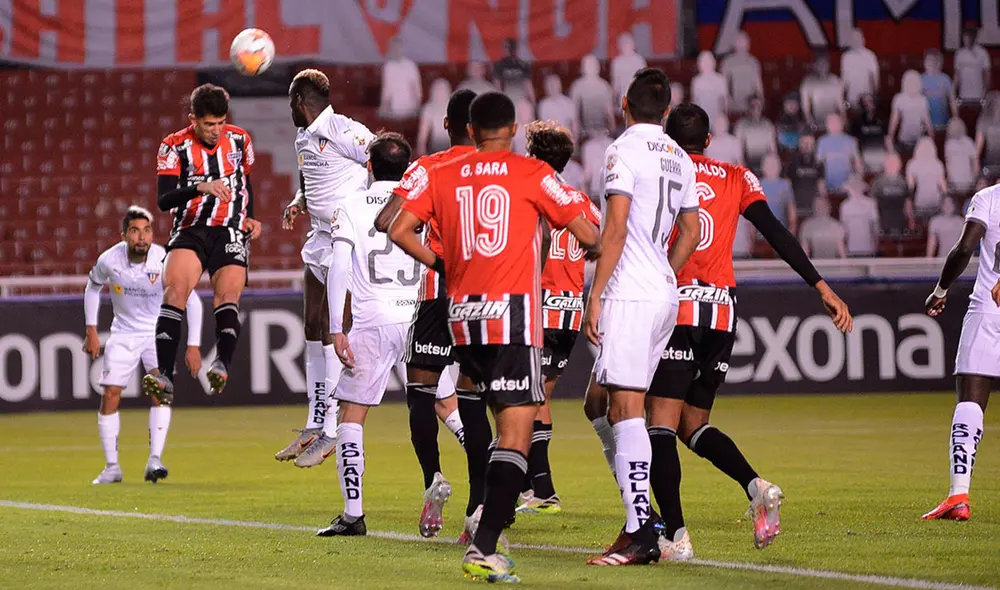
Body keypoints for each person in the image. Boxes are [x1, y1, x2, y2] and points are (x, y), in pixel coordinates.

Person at [600, 103, 851, 559]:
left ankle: (674, 537)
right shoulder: (738, 177)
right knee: (693, 425)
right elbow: (774, 231)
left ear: (670, 139)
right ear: (710, 140)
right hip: (722, 313)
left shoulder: (665, 168)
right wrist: (820, 285)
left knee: (659, 422)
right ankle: (756, 487)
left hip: (677, 308)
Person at [389, 91, 600, 583]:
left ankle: (479, 520)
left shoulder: (441, 173)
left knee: (469, 397)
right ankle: (484, 539)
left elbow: (399, 229)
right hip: (514, 317)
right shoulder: (533, 174)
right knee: (516, 433)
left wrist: (442, 264)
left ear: (470, 128)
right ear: (510, 128)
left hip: (463, 315)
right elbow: (589, 235)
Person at [583, 69, 701, 567]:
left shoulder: (621, 152)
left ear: (624, 104)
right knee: (601, 403)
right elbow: (692, 231)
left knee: (627, 409)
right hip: (661, 294)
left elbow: (614, 228)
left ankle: (643, 535)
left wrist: (596, 295)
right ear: (668, 111)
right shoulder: (680, 156)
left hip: (630, 294)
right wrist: (664, 274)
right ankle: (640, 521)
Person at [373, 89, 483, 540]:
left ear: (446, 125)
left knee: (421, 393)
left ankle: (433, 479)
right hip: (487, 297)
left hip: (438, 295)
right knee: (474, 402)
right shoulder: (504, 172)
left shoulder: (428, 168)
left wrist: (436, 253)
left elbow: (387, 222)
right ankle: (478, 509)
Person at [315, 133, 421, 537]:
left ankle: (353, 513)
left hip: (373, 319)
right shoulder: (420, 201)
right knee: (449, 407)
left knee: (351, 413)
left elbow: (338, 268)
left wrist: (336, 328)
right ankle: (490, 492)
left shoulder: (352, 205)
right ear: (407, 167)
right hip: (417, 316)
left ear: (369, 167)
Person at [276, 69, 376, 466]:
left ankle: (333, 430)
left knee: (337, 327)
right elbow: (311, 173)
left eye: (290, 104)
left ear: (300, 102)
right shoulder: (305, 135)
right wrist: (300, 198)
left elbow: (382, 159)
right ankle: (316, 420)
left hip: (344, 239)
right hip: (318, 237)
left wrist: (367, 212)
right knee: (312, 327)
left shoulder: (344, 129)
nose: (290, 111)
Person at [144, 83, 262, 403]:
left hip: (229, 228)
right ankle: (165, 375)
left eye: (220, 123)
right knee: (175, 291)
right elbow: (164, 200)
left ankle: (221, 364)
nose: (216, 130)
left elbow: (245, 179)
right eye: (209, 124)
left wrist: (250, 215)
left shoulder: (240, 139)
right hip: (190, 228)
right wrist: (201, 189)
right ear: (192, 119)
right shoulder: (173, 146)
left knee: (227, 295)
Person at [516, 121, 602, 515]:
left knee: (520, 396)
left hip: (539, 308)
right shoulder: (583, 203)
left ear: (534, 156)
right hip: (569, 310)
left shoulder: (533, 195)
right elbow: (602, 247)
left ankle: (540, 487)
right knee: (538, 396)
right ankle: (533, 485)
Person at [86, 207, 203, 484]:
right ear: (124, 234)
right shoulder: (109, 259)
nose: (142, 237)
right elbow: (92, 287)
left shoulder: (164, 258)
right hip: (124, 334)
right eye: (136, 231)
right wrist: (91, 329)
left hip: (157, 333)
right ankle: (112, 467)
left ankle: (155, 460)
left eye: (147, 230)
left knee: (161, 393)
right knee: (111, 394)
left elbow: (193, 300)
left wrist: (193, 345)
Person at [923, 179, 1000, 521]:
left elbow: (964, 247)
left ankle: (959, 496)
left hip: (988, 309)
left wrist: (941, 289)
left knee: (970, 400)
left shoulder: (988, 198)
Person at [569, 55, 616, 138]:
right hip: (585, 133)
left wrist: (612, 133)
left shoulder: (605, 86)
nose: (591, 67)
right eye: (588, 64)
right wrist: (575, 136)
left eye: (594, 64)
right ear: (583, 68)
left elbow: (609, 113)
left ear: (598, 67)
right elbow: (574, 114)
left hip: (603, 132)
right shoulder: (577, 87)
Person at [887, 70, 933, 154]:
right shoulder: (899, 98)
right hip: (903, 140)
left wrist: (932, 135)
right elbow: (894, 119)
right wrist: (890, 136)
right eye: (910, 83)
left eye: (915, 83)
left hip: (919, 140)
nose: (912, 86)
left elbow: (926, 119)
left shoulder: (923, 100)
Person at [871, 153, 914, 235]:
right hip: (883, 224)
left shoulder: (904, 182)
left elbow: (908, 206)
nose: (892, 166)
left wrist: (911, 221)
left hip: (900, 223)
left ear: (899, 165)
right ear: (885, 165)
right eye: (889, 163)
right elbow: (873, 205)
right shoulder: (878, 183)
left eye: (895, 163)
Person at [816, 113, 862, 192]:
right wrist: (820, 185)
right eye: (831, 123)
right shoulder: (822, 141)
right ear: (827, 125)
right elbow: (818, 165)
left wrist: (859, 180)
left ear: (842, 124)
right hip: (828, 185)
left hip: (848, 185)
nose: (833, 125)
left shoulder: (850, 141)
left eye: (836, 122)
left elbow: (858, 163)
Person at [378, 38, 422, 120]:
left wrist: (417, 105)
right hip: (393, 108)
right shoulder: (388, 67)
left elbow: (416, 87)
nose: (396, 50)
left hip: (410, 108)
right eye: (394, 48)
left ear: (402, 49)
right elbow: (386, 89)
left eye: (398, 47)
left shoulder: (411, 65)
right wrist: (383, 106)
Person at [720, 31, 763, 113]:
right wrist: (727, 101)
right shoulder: (727, 62)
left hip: (751, 103)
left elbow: (758, 84)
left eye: (744, 41)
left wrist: (761, 99)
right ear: (734, 44)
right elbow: (723, 84)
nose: (742, 44)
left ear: (748, 43)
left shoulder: (753, 62)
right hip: (733, 103)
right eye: (739, 41)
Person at [800, 53, 844, 130]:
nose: (823, 66)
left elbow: (840, 102)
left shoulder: (835, 80)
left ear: (829, 65)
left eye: (825, 63)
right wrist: (809, 121)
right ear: (815, 65)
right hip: (816, 121)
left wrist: (843, 118)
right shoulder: (808, 82)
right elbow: (805, 105)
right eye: (820, 64)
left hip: (833, 121)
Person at [906, 136, 948, 216]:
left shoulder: (912, 164)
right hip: (936, 201)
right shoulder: (938, 164)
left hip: (920, 202)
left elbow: (910, 186)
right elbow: (943, 186)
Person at [734, 95, 776, 172]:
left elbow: (772, 147)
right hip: (749, 160)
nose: (756, 109)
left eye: (758, 106)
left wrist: (774, 162)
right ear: (748, 107)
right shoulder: (741, 124)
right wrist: (741, 164)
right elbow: (738, 146)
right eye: (752, 106)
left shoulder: (767, 124)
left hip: (765, 161)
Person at [786, 134, 825, 217]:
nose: (807, 146)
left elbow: (821, 187)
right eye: (804, 143)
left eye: (810, 143)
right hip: (797, 206)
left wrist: (822, 206)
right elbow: (787, 185)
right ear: (800, 144)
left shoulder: (819, 163)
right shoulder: (792, 162)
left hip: (814, 207)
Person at [838, 181, 879, 257]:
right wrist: (844, 245)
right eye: (852, 187)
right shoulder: (844, 205)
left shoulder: (870, 203)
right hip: (851, 247)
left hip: (868, 246)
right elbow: (844, 228)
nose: (854, 190)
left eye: (857, 187)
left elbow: (874, 225)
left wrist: (875, 243)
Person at [840, 29, 878, 107]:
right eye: (854, 38)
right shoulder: (846, 57)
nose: (856, 41)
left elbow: (875, 77)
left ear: (863, 39)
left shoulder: (870, 55)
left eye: (858, 38)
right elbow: (845, 78)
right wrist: (842, 96)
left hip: (867, 96)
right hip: (852, 97)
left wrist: (875, 95)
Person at [851, 93, 888, 173]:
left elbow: (887, 140)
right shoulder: (857, 122)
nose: (868, 104)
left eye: (870, 101)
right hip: (864, 159)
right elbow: (854, 142)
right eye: (865, 102)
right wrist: (858, 160)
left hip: (880, 157)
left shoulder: (882, 120)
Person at [954, 28, 991, 106]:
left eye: (968, 38)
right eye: (965, 38)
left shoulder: (982, 52)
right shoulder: (959, 53)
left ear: (974, 38)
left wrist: (985, 92)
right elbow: (957, 75)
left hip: (979, 95)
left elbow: (987, 74)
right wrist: (953, 92)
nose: (966, 40)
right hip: (963, 95)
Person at [759, 153, 796, 232]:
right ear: (763, 167)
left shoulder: (785, 184)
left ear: (779, 167)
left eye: (774, 164)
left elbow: (791, 208)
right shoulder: (757, 185)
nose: (772, 167)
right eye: (768, 165)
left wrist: (793, 226)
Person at [922, 49, 957, 131]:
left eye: (934, 61)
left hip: (942, 122)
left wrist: (956, 118)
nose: (931, 63)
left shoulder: (946, 79)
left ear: (940, 63)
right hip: (925, 123)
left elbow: (952, 100)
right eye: (928, 61)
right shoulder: (920, 79)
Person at [417, 79, 455, 155]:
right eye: (437, 90)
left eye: (443, 90)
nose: (440, 92)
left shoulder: (454, 107)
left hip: (452, 147)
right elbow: (423, 135)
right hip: (435, 149)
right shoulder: (428, 108)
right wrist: (421, 149)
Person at [494, 38, 535, 104]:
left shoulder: (523, 65)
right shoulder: (499, 65)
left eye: (509, 47)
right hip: (507, 101)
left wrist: (533, 103)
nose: (507, 49)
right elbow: (497, 86)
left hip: (522, 101)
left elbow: (528, 85)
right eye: (505, 47)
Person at [611, 33, 647, 105]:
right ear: (620, 47)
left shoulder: (640, 61)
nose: (626, 46)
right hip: (623, 97)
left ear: (633, 45)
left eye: (629, 43)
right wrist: (613, 100)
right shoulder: (616, 62)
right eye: (624, 44)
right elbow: (615, 84)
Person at [691, 51, 727, 122]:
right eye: (702, 61)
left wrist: (723, 118)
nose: (705, 64)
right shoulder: (696, 81)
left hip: (717, 118)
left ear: (713, 63)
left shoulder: (721, 79)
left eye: (708, 61)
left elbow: (725, 102)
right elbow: (695, 101)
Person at [945, 118, 979, 194]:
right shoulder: (969, 142)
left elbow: (948, 167)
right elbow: (975, 162)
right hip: (969, 182)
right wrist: (975, 178)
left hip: (955, 183)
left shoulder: (948, 145)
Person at [975, 92, 1000, 175]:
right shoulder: (983, 121)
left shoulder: (982, 121)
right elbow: (978, 149)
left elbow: (978, 149)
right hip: (988, 164)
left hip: (988, 165)